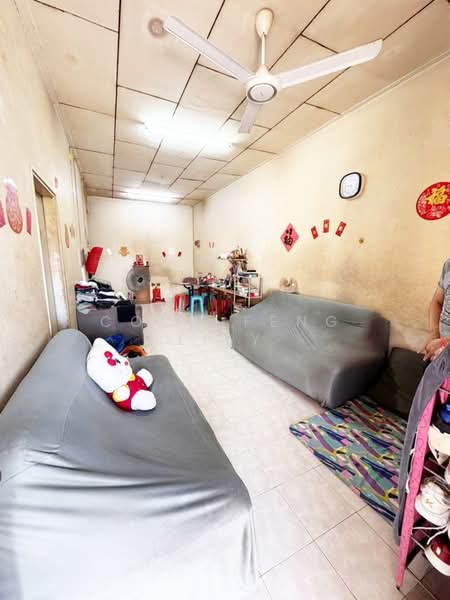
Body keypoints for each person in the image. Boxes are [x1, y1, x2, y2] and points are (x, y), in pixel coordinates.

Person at [421, 258, 450, 361]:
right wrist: (434, 334)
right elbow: (436, 302)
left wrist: (445, 343)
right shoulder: (448, 265)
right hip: (438, 353)